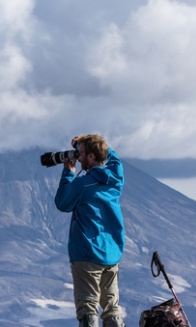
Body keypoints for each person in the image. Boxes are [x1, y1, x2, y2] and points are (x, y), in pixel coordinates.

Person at [55, 134, 126, 327]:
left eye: (81, 153)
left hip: (87, 254)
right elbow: (114, 159)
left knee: (88, 310)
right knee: (112, 309)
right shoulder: (116, 177)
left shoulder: (82, 184)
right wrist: (91, 142)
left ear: (92, 157)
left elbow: (62, 203)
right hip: (112, 254)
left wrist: (69, 172)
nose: (78, 157)